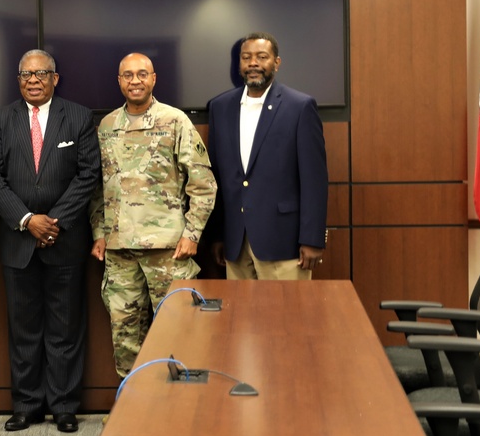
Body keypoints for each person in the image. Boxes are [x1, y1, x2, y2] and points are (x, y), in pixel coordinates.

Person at [0, 50, 100, 434]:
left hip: (65, 242)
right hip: (18, 241)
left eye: (41, 73)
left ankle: (64, 406)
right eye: (26, 73)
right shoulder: (1, 120)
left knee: (66, 328)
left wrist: (53, 223)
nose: (33, 79)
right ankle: (27, 405)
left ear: (55, 78)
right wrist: (27, 220)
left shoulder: (79, 117)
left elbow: (88, 175)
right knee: (24, 329)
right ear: (18, 79)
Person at [91, 52, 216, 378]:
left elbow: (203, 183)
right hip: (120, 253)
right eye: (128, 75)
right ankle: (133, 407)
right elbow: (97, 189)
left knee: (179, 331)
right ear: (119, 81)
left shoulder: (175, 121)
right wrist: (99, 234)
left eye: (142, 74)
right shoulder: (106, 126)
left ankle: (178, 411)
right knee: (125, 335)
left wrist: (192, 234)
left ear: (154, 79)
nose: (135, 81)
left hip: (169, 251)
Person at [206, 32, 328, 280]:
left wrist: (313, 239)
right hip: (235, 244)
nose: (253, 63)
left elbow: (314, 180)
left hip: (284, 244)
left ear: (276, 63)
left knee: (287, 318)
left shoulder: (300, 107)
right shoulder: (220, 108)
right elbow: (216, 177)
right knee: (239, 318)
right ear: (238, 64)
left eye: (262, 57)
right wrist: (218, 235)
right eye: (246, 57)